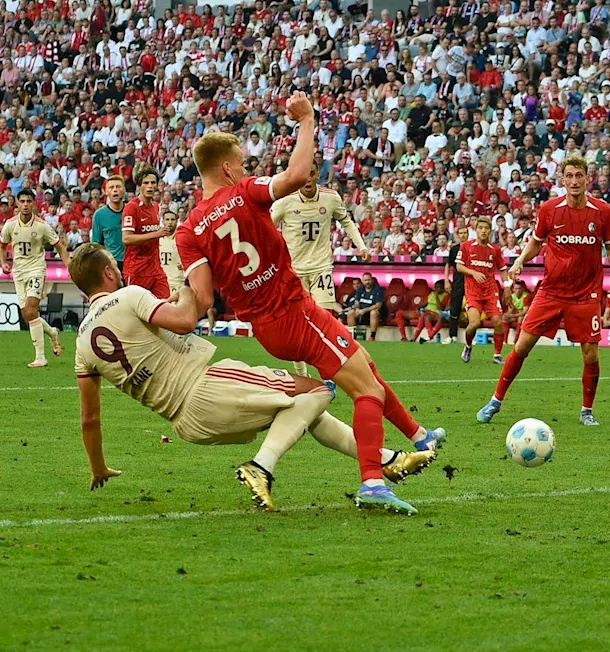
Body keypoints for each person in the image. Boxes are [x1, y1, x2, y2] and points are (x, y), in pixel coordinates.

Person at [175, 92, 440, 516]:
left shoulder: (187, 231)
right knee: (365, 388)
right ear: (226, 167)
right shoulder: (243, 192)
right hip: (294, 310)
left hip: (267, 329)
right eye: (240, 162)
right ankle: (372, 481)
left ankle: (419, 436)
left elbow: (202, 298)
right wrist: (307, 120)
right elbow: (297, 174)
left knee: (363, 364)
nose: (244, 168)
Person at [68, 243, 434, 510]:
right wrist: (184, 291)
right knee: (319, 391)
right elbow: (184, 319)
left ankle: (388, 460)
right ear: (109, 273)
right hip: (207, 387)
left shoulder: (83, 343)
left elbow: (90, 418)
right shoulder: (130, 296)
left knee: (301, 410)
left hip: (188, 425)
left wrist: (98, 467)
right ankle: (261, 466)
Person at [477, 156, 610, 426]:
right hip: (552, 291)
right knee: (522, 345)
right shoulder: (549, 209)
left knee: (590, 354)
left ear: (587, 178)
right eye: (569, 176)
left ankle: (586, 411)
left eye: (579, 175)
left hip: (586, 293)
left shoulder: (602, 211)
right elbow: (536, 242)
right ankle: (495, 401)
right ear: (562, 179)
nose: (574, 181)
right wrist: (521, 260)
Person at [271, 158, 370, 357]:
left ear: (318, 175)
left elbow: (347, 221)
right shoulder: (285, 201)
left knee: (324, 321)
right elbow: (265, 228)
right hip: (294, 271)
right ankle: (301, 373)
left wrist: (362, 246)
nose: (307, 179)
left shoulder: (331, 198)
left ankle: (329, 376)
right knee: (297, 325)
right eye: (304, 174)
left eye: (312, 174)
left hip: (321, 268)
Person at [2, 189, 71, 368]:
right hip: (19, 272)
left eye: (29, 201)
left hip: (36, 270)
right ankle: (53, 332)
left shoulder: (42, 226)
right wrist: (3, 262)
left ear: (34, 203)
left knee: (31, 310)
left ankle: (41, 357)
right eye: (22, 201)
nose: (25, 204)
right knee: (27, 314)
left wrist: (69, 266)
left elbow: (61, 248)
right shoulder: (10, 225)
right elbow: (2, 246)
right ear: (17, 203)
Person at [457, 216, 507, 363]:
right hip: (473, 291)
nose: (483, 231)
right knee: (474, 323)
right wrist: (473, 272)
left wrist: (507, 286)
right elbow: (459, 266)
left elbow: (503, 269)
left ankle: (497, 355)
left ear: (490, 231)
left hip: (491, 291)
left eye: (486, 228)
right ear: (476, 229)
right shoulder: (466, 246)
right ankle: (467, 345)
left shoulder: (495, 250)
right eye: (480, 228)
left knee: (498, 321)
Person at [121, 168, 171, 298]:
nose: (150, 186)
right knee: (136, 313)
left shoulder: (155, 206)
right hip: (137, 270)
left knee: (165, 305)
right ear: (139, 185)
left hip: (155, 269)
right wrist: (155, 234)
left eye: (153, 183)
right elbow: (126, 238)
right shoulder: (132, 207)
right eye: (146, 183)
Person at [91, 175, 126, 275]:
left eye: (118, 187)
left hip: (131, 263)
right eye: (111, 187)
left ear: (124, 190)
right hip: (111, 264)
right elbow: (97, 244)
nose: (115, 190)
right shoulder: (99, 215)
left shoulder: (131, 211)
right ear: (106, 192)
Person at [345, 273, 385, 340]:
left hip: (372, 312)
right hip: (361, 312)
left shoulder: (378, 289)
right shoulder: (360, 289)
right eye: (365, 280)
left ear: (372, 280)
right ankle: (352, 337)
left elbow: (378, 305)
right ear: (363, 281)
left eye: (369, 280)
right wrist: (357, 308)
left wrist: (364, 310)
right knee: (351, 312)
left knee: (373, 312)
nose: (367, 282)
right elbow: (356, 302)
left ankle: (372, 336)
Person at [157, 210, 184, 297]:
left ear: (177, 221)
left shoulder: (182, 239)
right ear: (163, 221)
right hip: (161, 282)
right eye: (167, 219)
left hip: (178, 282)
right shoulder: (156, 239)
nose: (170, 222)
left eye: (172, 220)